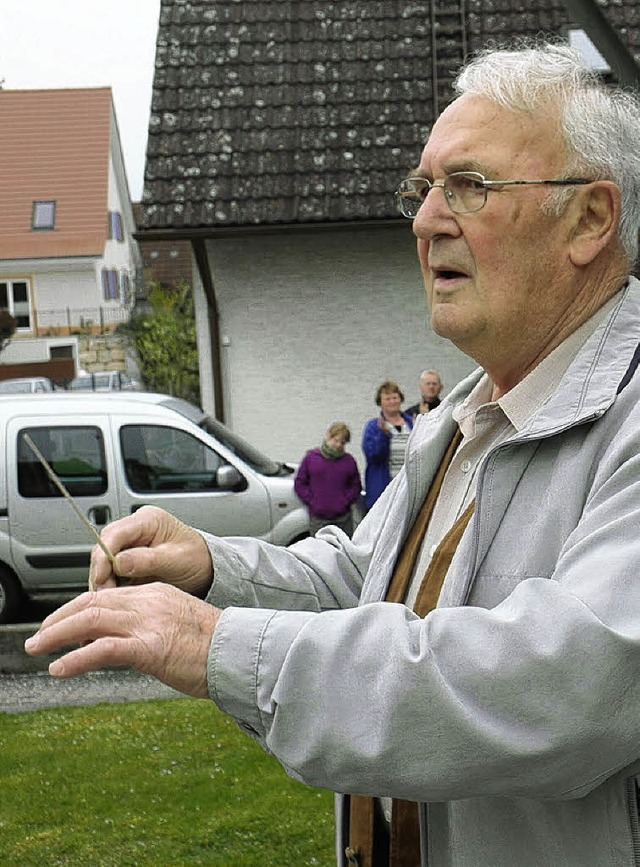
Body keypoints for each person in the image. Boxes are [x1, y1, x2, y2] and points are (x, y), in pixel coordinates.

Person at [25, 40, 640, 867]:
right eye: (423, 190)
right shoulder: (467, 412)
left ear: (591, 219)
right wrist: (209, 568)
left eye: (469, 185)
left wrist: (217, 644)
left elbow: (559, 688)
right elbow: (366, 580)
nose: (425, 221)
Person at [294, 421, 362, 537]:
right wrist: (312, 501)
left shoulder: (349, 461)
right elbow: (300, 483)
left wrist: (345, 501)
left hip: (343, 519)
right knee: (318, 552)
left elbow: (356, 486)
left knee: (344, 552)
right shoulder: (311, 458)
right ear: (328, 436)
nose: (338, 445)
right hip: (318, 519)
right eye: (336, 440)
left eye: (342, 442)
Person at [361, 380, 413, 509]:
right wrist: (383, 435)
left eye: (395, 397)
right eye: (387, 399)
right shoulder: (373, 427)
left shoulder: (411, 423)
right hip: (385, 489)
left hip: (408, 487)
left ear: (400, 399)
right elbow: (373, 457)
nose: (392, 402)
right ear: (380, 402)